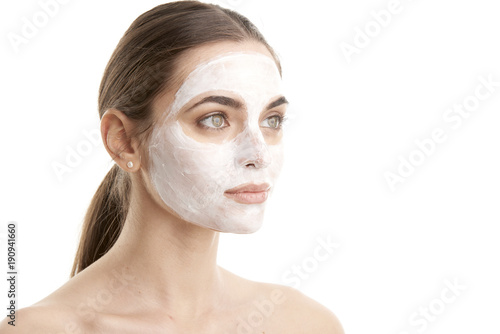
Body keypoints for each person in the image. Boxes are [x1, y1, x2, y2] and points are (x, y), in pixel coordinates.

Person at [1, 1, 344, 333]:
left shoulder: (305, 325)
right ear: (123, 141)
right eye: (214, 118)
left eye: (272, 120)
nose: (259, 154)